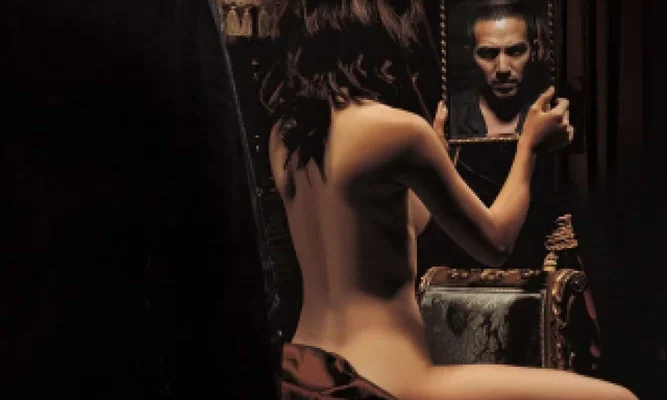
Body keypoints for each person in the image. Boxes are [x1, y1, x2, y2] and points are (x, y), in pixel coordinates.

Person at [260, 1, 636, 399]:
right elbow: (496, 244)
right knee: (619, 398)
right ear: (375, 37)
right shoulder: (397, 129)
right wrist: (529, 145)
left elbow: (403, 223)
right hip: (386, 379)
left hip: (304, 370)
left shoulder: (285, 135)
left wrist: (437, 156)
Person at [449, 0, 549, 138]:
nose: (502, 68)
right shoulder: (451, 115)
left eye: (516, 52)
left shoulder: (551, 110)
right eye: (488, 54)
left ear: (534, 51)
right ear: (470, 54)